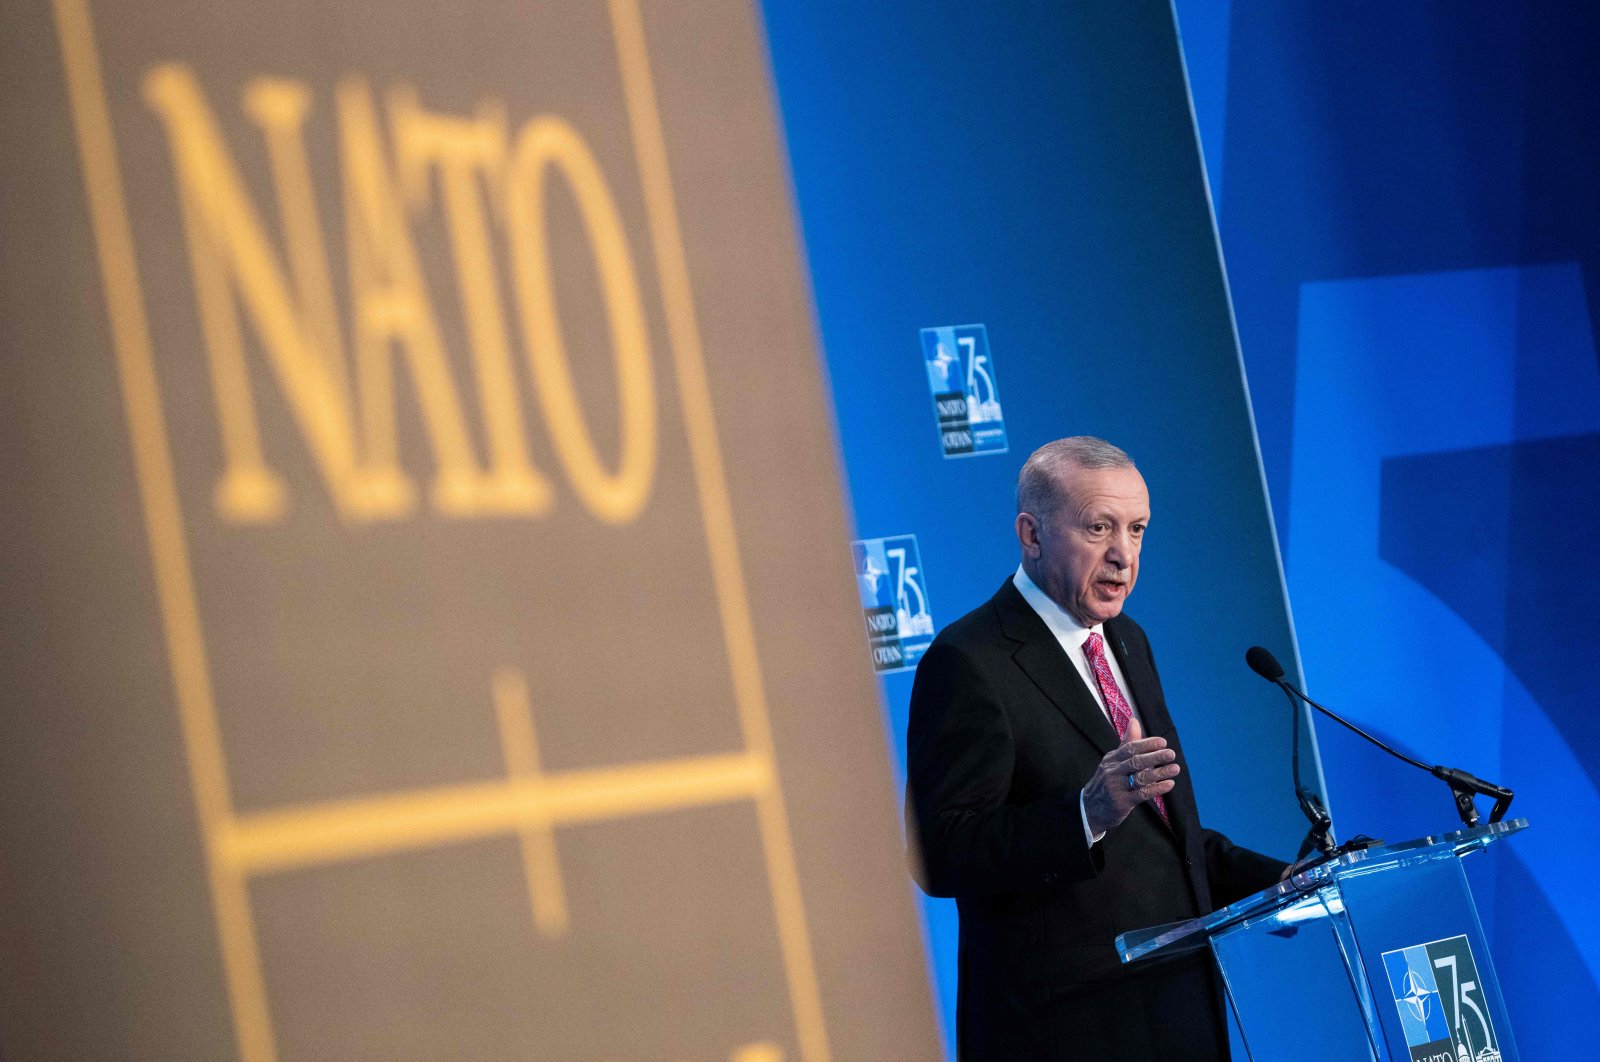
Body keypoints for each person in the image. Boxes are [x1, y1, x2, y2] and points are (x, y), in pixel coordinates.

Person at [905, 436, 1286, 1060]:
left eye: (1137, 530)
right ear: (1031, 534)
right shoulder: (970, 661)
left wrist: (1285, 881)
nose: (1123, 556)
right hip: (1064, 1032)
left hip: (1179, 1014)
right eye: (1098, 528)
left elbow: (1163, 844)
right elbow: (940, 851)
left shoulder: (1126, 640)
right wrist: (1085, 815)